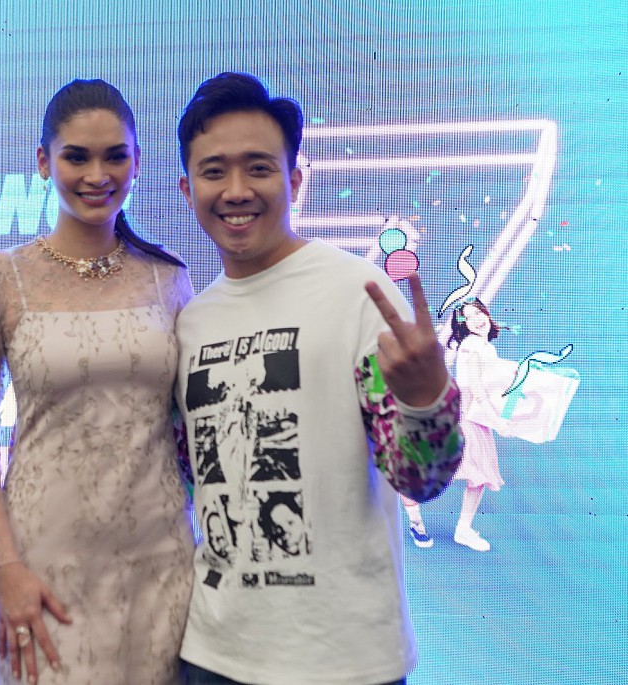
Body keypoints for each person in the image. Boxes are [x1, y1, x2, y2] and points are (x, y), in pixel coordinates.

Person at [173, 72, 465, 685]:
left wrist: (425, 400)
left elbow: (421, 478)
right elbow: (186, 476)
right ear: (187, 188)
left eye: (258, 168)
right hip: (212, 653)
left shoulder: (360, 293)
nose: (236, 190)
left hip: (346, 660)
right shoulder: (190, 323)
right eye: (213, 171)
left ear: (294, 180)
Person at [0, 79, 194, 685]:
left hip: (161, 568)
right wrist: (4, 569)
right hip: (39, 572)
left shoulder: (169, 279)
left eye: (115, 156)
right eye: (76, 157)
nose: (97, 174)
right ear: (43, 162)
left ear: (137, 162)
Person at [402, 297, 509, 552]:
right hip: (463, 418)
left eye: (479, 313)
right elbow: (477, 390)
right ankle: (416, 520)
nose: (477, 320)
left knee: (478, 476)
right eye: (469, 318)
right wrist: (498, 422)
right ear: (464, 325)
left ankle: (462, 529)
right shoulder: (473, 345)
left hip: (473, 418)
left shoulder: (481, 345)